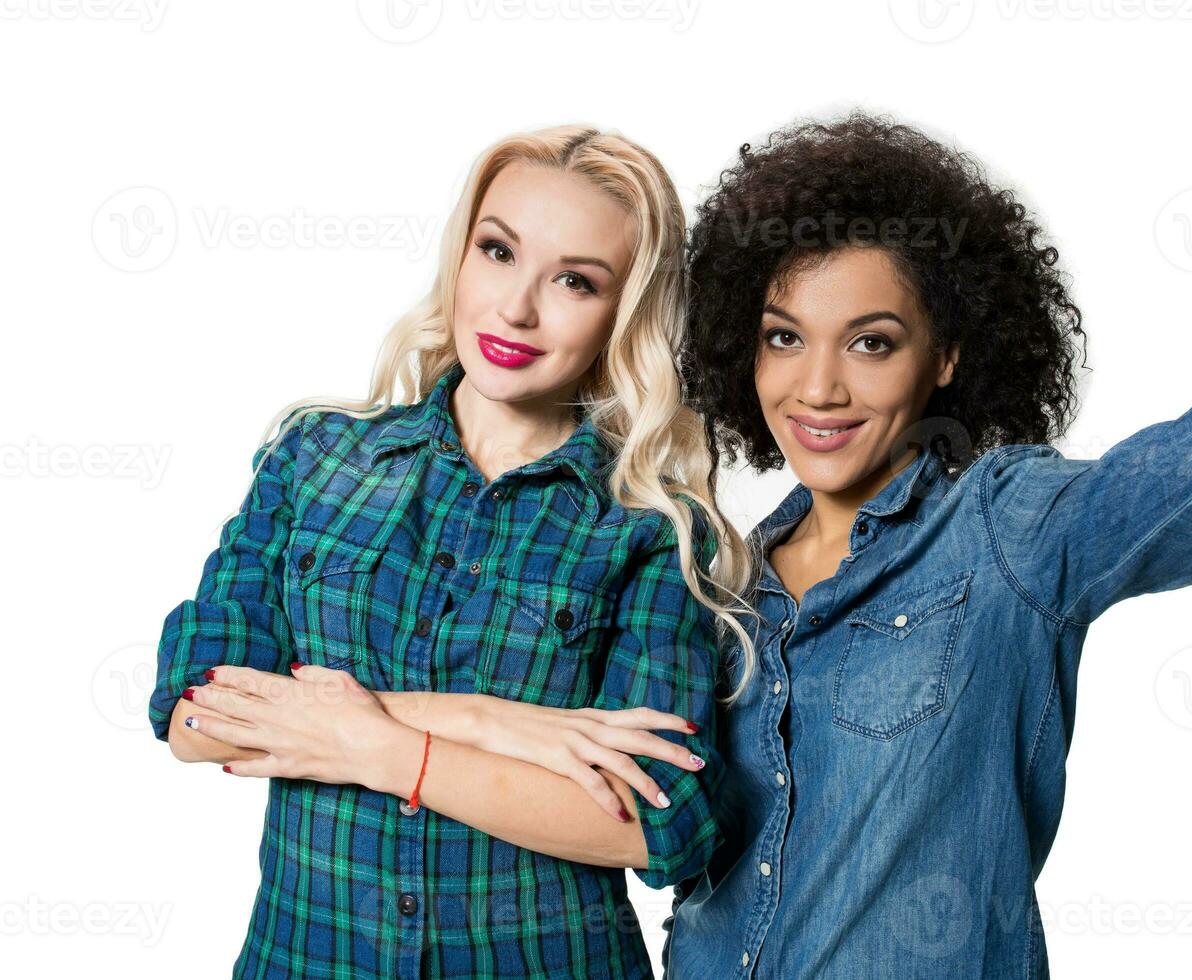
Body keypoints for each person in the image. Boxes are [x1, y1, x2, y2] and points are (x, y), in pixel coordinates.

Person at [662, 111, 1192, 979]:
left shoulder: (1006, 534)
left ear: (945, 356)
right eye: (785, 337)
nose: (817, 387)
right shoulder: (715, 585)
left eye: (870, 342)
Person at [148, 124, 757, 979]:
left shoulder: (651, 527)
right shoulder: (314, 457)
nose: (516, 308)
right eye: (499, 252)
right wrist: (492, 723)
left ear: (625, 314)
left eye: (574, 281)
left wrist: (383, 748)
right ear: (460, 255)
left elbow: (661, 822)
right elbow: (196, 714)